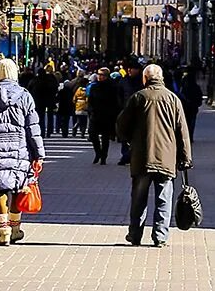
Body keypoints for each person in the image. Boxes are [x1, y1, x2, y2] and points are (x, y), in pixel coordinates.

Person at [115, 64, 191, 248]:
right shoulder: (173, 99)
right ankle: (160, 236)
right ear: (161, 78)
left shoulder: (138, 98)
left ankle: (135, 234)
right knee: (164, 198)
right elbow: (182, 131)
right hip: (166, 158)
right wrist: (185, 157)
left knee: (139, 198)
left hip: (142, 157)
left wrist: (129, 140)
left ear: (145, 78)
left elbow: (121, 124)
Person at [0, 58, 46, 247]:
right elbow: (33, 127)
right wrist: (39, 153)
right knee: (18, 188)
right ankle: (15, 229)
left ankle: (2, 231)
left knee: (1, 189)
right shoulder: (25, 96)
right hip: (20, 147)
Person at [85, 69, 121, 164]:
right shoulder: (94, 87)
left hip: (107, 116)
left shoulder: (112, 87)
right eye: (99, 74)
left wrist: (113, 114)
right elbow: (90, 101)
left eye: (102, 75)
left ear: (107, 76)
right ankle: (98, 152)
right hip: (95, 115)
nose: (100, 77)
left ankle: (104, 157)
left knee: (105, 137)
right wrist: (90, 110)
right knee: (93, 135)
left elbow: (116, 102)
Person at [177, 68, 203, 142]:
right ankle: (190, 136)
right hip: (193, 107)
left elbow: (180, 96)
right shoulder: (196, 87)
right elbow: (199, 96)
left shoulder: (184, 88)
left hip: (186, 107)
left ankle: (187, 135)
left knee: (186, 121)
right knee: (192, 121)